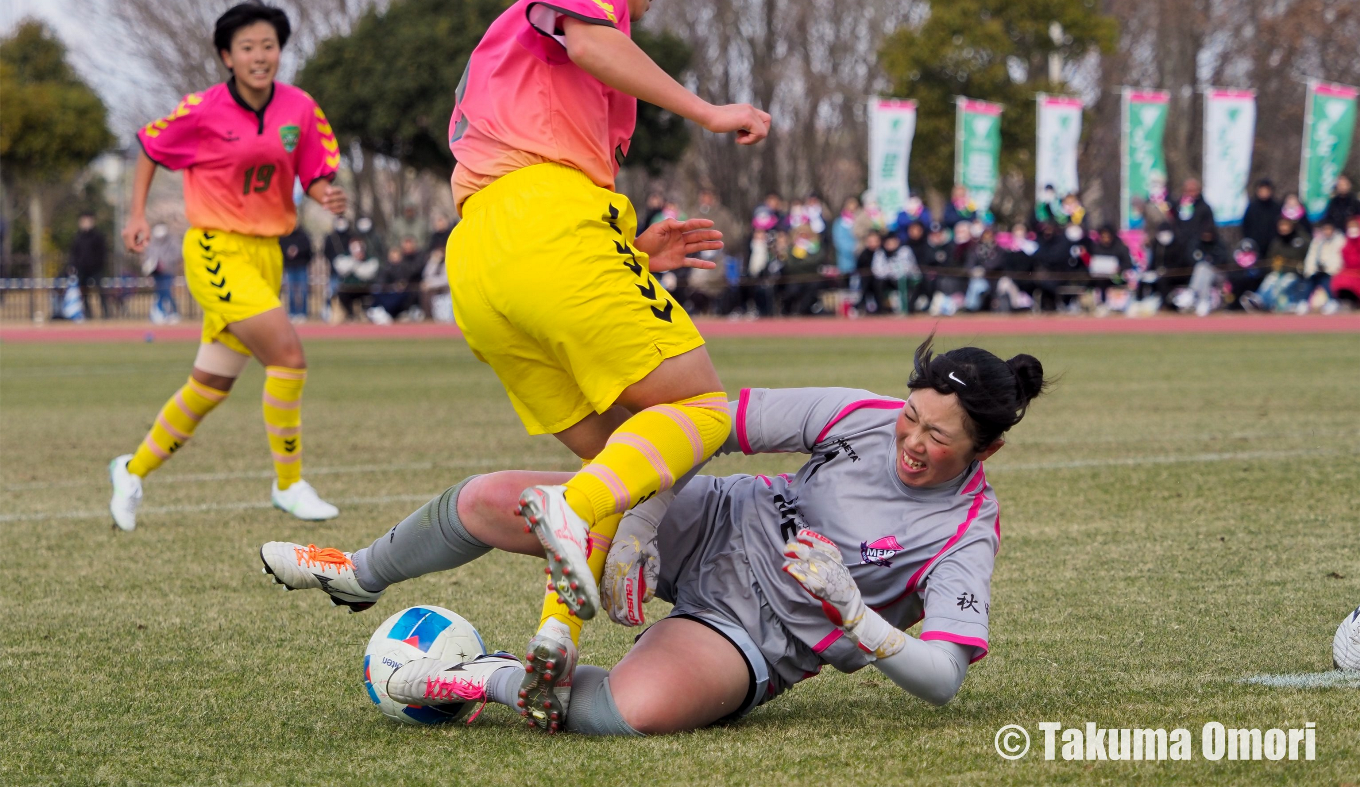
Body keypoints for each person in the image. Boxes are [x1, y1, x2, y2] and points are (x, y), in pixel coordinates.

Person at [260, 337, 1047, 735]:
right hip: (709, 520)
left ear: (987, 447)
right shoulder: (861, 416)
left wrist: (854, 613)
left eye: (937, 436)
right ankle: (356, 572)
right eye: (912, 416)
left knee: (628, 714)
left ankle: (482, 675)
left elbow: (943, 678)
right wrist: (637, 519)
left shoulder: (967, 530)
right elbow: (702, 421)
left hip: (755, 636)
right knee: (495, 498)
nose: (910, 439)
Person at [440, 0, 770, 726]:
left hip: (482, 262)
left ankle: (556, 634)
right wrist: (709, 110)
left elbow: (518, 166)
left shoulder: (510, 48)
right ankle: (601, 536)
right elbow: (590, 46)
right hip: (549, 233)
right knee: (700, 409)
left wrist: (631, 241)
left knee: (625, 453)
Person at [110, 0, 347, 531]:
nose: (260, 56)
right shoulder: (201, 109)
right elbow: (149, 146)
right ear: (227, 56)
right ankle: (289, 485)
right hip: (217, 249)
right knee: (288, 357)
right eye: (248, 48)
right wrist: (136, 215)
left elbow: (316, 170)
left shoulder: (300, 108)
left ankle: (131, 468)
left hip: (267, 254)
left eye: (269, 46)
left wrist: (327, 195)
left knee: (209, 386)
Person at [1244, 216, 1309, 311]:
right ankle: (1258, 299)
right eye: (1281, 225)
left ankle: (1267, 304)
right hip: (1279, 272)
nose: (1283, 228)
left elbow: (1304, 261)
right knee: (1270, 279)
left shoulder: (1301, 240)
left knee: (1283, 283)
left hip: (1295, 274)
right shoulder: (1276, 242)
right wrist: (1275, 267)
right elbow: (1270, 260)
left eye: (1286, 225)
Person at [69, 212, 109, 319]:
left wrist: (98, 264)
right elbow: (74, 253)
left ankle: (106, 313)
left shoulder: (97, 236)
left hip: (96, 268)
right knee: (84, 292)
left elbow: (102, 252)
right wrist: (74, 265)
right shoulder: (78, 237)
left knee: (101, 291)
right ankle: (87, 313)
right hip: (82, 269)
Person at [1301, 219, 1345, 312]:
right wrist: (1310, 269)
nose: (1327, 231)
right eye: (1325, 229)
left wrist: (1327, 267)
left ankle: (1333, 301)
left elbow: (1339, 259)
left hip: (1331, 271)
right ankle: (1304, 302)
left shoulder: (1340, 240)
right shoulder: (1317, 241)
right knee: (1309, 280)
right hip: (1317, 271)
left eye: (1329, 229)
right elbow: (1311, 257)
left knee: (1327, 281)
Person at [142, 222, 181, 324]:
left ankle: (172, 312)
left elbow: (177, 254)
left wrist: (165, 263)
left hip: (168, 271)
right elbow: (148, 256)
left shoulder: (172, 242)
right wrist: (152, 265)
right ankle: (160, 313)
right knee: (159, 293)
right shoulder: (152, 243)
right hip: (156, 273)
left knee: (167, 291)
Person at [279, 223, 313, 322]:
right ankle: (293, 312)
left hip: (302, 266)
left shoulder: (303, 236)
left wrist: (298, 251)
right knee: (290, 291)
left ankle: (303, 313)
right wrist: (288, 251)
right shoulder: (284, 236)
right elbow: (280, 249)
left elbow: (309, 249)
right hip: (290, 266)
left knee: (303, 290)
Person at [1240, 178, 1281, 254]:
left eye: (1266, 190)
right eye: (1261, 190)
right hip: (1255, 245)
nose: (1264, 193)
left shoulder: (1277, 207)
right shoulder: (1252, 207)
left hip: (1274, 246)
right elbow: (1246, 225)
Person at [1330, 216, 1360, 305]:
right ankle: (1347, 301)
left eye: (1355, 226)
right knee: (1340, 280)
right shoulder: (1344, 240)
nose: (1352, 229)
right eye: (1350, 227)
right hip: (1347, 269)